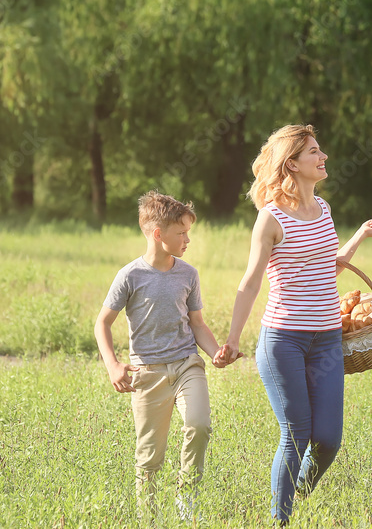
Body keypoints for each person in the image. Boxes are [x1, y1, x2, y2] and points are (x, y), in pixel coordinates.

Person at [213, 124, 372, 526]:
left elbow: (328, 266)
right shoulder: (269, 218)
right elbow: (251, 280)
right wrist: (234, 339)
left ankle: (291, 493)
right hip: (284, 341)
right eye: (313, 152)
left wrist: (359, 234)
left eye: (320, 150)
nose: (323, 157)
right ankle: (281, 518)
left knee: (327, 439)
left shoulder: (322, 209)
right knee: (296, 434)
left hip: (326, 340)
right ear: (292, 164)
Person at [94, 190, 237, 522]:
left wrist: (215, 352)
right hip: (147, 372)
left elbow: (197, 324)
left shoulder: (188, 274)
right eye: (182, 233)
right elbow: (102, 323)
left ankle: (186, 500)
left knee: (199, 425)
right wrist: (113, 365)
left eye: (189, 232)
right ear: (158, 235)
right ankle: (149, 518)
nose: (188, 239)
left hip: (187, 364)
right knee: (149, 457)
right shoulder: (130, 276)